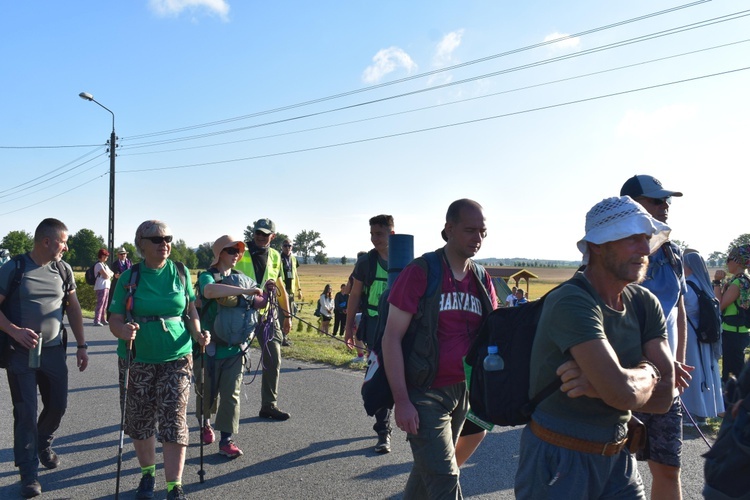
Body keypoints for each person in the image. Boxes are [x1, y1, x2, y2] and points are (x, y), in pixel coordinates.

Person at [514, 196, 676, 499]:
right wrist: (650, 372)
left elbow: (664, 399)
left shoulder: (644, 303)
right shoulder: (572, 300)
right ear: (599, 245)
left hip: (620, 459)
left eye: (646, 238)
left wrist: (608, 382)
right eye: (632, 238)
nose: (644, 249)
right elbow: (625, 393)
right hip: (560, 461)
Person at [383, 199, 497, 498]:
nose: (478, 238)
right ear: (449, 229)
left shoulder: (482, 279)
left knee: (427, 476)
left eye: (483, 232)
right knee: (445, 480)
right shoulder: (421, 272)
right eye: (470, 230)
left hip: (465, 391)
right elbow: (391, 337)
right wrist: (402, 401)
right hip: (426, 392)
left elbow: (493, 338)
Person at [108, 220, 210, 500]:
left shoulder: (180, 271)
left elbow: (191, 309)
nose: (164, 243)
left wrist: (199, 333)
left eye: (167, 238)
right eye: (156, 239)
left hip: (177, 356)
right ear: (141, 244)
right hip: (136, 358)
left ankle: (174, 486)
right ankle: (147, 473)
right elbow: (114, 318)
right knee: (139, 421)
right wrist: (122, 330)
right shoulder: (129, 278)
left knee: (174, 419)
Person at [0, 218, 89, 498]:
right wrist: (14, 331)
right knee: (25, 411)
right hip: (20, 353)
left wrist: (82, 345)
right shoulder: (13, 268)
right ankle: (28, 474)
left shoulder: (62, 269)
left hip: (53, 351)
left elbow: (73, 308)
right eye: (63, 241)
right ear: (47, 241)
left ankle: (42, 443)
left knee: (58, 405)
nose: (66, 246)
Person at [621, 174, 693, 500]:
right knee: (617, 472)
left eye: (666, 200)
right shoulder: (612, 252)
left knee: (667, 468)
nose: (665, 206)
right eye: (656, 200)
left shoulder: (674, 253)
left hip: (667, 383)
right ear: (633, 204)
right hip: (622, 380)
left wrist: (678, 361)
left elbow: (679, 311)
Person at [195, 235, 264, 459]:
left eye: (238, 251)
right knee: (207, 392)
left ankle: (226, 440)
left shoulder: (241, 277)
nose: (236, 255)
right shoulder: (207, 276)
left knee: (231, 395)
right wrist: (244, 292)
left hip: (235, 348)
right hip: (209, 346)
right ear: (219, 253)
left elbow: (256, 301)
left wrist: (265, 292)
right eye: (231, 250)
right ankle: (205, 423)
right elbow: (209, 292)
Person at [344, 214, 395, 452]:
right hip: (375, 327)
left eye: (380, 234)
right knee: (380, 379)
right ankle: (383, 431)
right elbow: (354, 295)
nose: (375, 239)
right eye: (372, 234)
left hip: (402, 327)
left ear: (391, 234)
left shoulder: (406, 260)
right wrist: (348, 328)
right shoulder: (366, 262)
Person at [235, 218, 293, 421]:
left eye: (265, 234)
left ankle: (269, 404)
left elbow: (281, 288)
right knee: (233, 359)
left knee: (273, 357)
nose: (260, 237)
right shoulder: (239, 252)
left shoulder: (276, 256)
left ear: (273, 237)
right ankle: (223, 403)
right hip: (241, 313)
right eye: (258, 233)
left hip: (268, 315)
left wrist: (287, 316)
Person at [680, 251, 724, 424]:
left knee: (694, 371)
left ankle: (693, 411)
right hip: (703, 335)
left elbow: (686, 308)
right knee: (705, 371)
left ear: (688, 266)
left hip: (691, 334)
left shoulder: (689, 286)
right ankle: (703, 410)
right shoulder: (704, 286)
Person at [712, 244, 750, 383]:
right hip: (740, 331)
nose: (727, 262)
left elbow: (719, 305)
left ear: (738, 261)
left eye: (729, 259)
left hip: (732, 332)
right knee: (737, 369)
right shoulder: (743, 281)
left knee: (732, 372)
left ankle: (736, 400)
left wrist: (716, 282)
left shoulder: (737, 283)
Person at [279, 239, 302, 346]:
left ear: (292, 247)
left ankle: (285, 336)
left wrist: (299, 289)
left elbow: (296, 275)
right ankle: (280, 337)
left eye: (289, 246)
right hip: (281, 290)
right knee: (281, 314)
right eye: (285, 246)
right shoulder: (278, 258)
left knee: (291, 313)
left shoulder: (293, 259)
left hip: (291, 291)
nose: (287, 248)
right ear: (282, 247)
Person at [93, 248, 113, 326]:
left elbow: (111, 273)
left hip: (106, 286)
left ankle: (102, 319)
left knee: (105, 304)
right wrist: (109, 275)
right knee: (100, 304)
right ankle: (96, 320)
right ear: (101, 256)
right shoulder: (98, 265)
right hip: (101, 286)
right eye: (105, 256)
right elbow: (106, 275)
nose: (106, 258)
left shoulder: (105, 265)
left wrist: (109, 275)